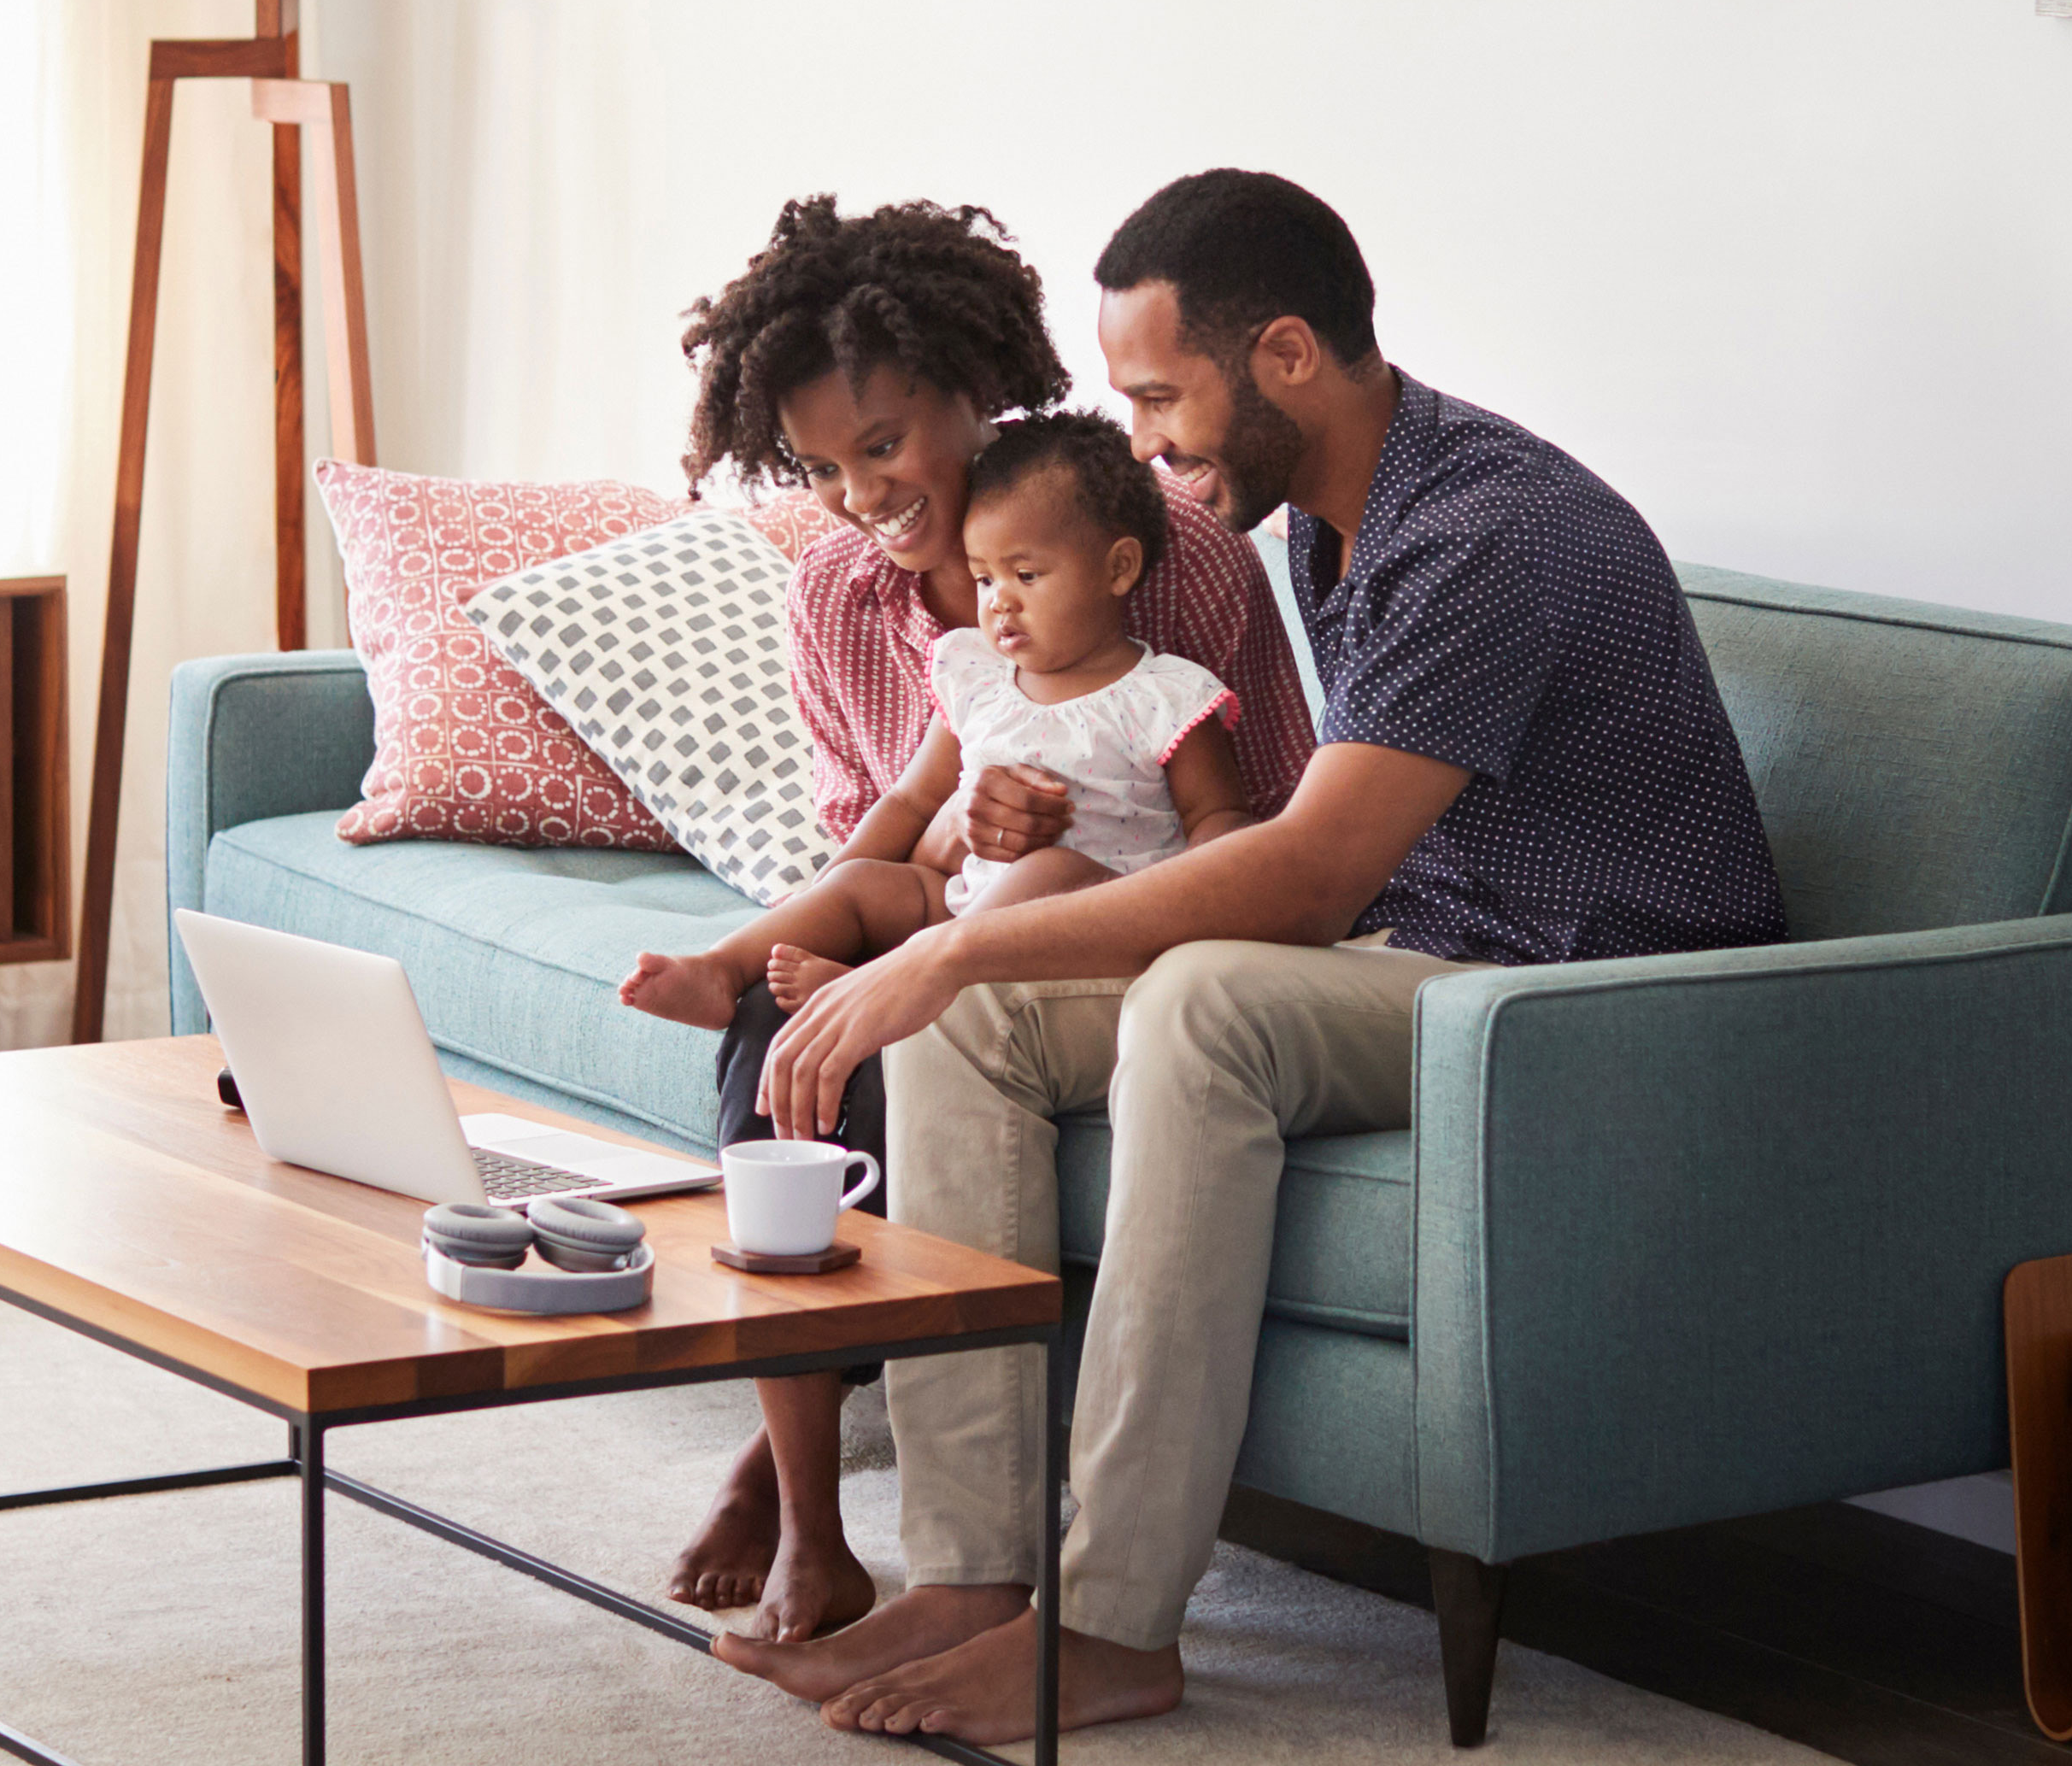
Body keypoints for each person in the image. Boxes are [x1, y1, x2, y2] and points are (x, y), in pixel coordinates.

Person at [717, 170, 1789, 1743]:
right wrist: (956, 958)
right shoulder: (1342, 523)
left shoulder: (1483, 530)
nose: (1141, 438)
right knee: (971, 1024)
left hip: (1584, 994)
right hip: (1436, 953)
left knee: (1194, 1001)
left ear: (1285, 354)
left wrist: (939, 953)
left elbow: (1303, 874)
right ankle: (971, 1577)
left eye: (1160, 394)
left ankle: (1115, 1627)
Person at [664, 197, 1318, 1646]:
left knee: (900, 1017)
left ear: (976, 389)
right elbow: (875, 834)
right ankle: (810, 1519)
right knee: (785, 1031)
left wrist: (1033, 861)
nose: (862, 500)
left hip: (1117, 927)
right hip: (933, 909)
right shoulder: (837, 589)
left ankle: (815, 1484)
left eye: (886, 447)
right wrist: (941, 859)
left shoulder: (1171, 554)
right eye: (826, 468)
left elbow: (1257, 820)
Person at [620, 412, 1257, 1030]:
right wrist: (834, 890)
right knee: (868, 882)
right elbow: (910, 799)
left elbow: (1218, 819)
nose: (999, 601)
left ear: (1119, 568)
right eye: (984, 579)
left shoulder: (1167, 696)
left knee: (1051, 870)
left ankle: (882, 983)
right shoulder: (977, 676)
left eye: (1026, 575)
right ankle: (720, 969)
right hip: (967, 903)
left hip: (1097, 924)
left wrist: (1193, 910)